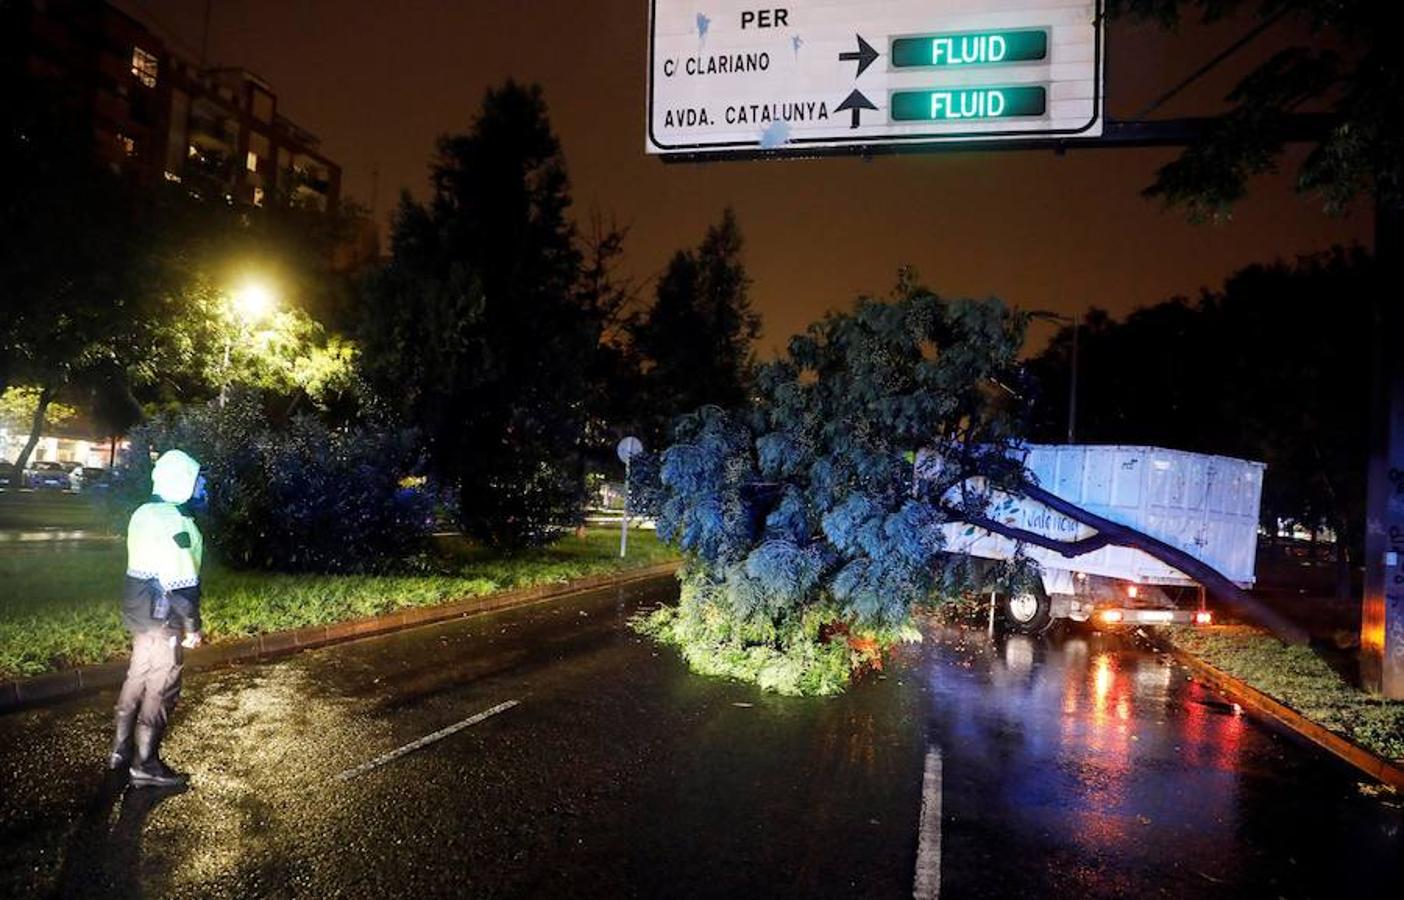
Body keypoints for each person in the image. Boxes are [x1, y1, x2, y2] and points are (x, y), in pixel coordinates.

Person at [108, 449, 206, 788]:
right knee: (162, 687)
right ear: (181, 482)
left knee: (137, 677)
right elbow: (181, 584)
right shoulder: (175, 522)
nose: (202, 486)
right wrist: (192, 627)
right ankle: (145, 764)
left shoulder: (144, 513)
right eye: (197, 480)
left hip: (139, 612)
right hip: (164, 616)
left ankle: (120, 751)